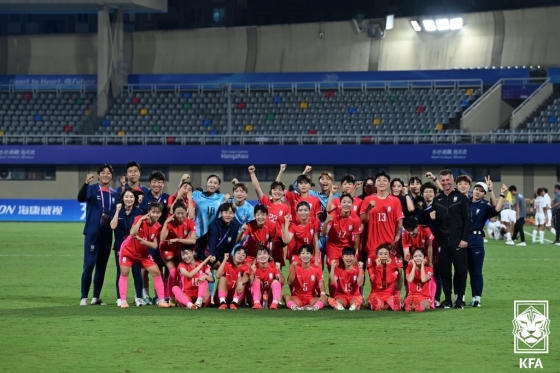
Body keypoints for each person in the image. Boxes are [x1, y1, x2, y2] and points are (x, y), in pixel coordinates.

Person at [430, 169, 471, 309]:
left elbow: (467, 220)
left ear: (452, 180)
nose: (446, 183)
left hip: (458, 240)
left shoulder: (462, 198)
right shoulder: (437, 199)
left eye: (448, 180)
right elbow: (436, 223)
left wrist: (464, 239)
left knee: (460, 271)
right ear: (440, 181)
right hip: (443, 242)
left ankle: (459, 299)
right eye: (443, 180)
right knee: (445, 272)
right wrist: (433, 219)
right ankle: (447, 299)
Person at [77, 164, 116, 306]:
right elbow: (80, 198)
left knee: (101, 266)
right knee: (89, 264)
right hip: (93, 232)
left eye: (108, 173)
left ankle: (95, 298)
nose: (106, 175)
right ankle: (83, 297)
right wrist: (86, 183)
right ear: (99, 175)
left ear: (112, 176)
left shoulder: (114, 194)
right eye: (103, 172)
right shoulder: (92, 189)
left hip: (107, 234)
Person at [117, 201, 169, 308]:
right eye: (153, 212)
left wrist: (141, 240)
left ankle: (162, 300)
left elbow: (154, 246)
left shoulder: (158, 226)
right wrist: (140, 220)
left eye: (158, 213)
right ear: (149, 212)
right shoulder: (139, 218)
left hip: (143, 253)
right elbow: (132, 233)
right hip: (128, 251)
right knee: (124, 273)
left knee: (157, 272)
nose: (156, 215)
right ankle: (123, 301)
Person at [359, 171, 404, 292]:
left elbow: (399, 221)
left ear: (389, 183)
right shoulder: (368, 199)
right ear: (375, 184)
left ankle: (396, 297)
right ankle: (376, 296)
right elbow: (362, 220)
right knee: (374, 273)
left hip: (390, 244)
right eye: (379, 180)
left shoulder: (395, 201)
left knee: (397, 271)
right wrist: (368, 208)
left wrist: (397, 238)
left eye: (384, 180)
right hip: (373, 244)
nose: (382, 182)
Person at [467, 181, 506, 307]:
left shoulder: (484, 206)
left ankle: (476, 298)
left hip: (477, 240)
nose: (477, 192)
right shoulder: (464, 203)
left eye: (481, 191)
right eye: (476, 189)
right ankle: (459, 298)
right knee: (461, 272)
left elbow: (497, 209)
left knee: (476, 272)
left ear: (484, 194)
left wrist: (500, 194)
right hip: (462, 239)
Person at [248, 164, 291, 266]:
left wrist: (281, 171)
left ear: (283, 193)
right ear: (271, 191)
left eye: (280, 190)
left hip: (277, 243)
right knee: (260, 268)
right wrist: (252, 173)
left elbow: (287, 226)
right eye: (275, 190)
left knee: (276, 268)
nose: (277, 192)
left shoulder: (286, 207)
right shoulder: (266, 202)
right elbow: (257, 187)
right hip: (263, 241)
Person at [110, 187, 145, 306]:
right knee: (121, 272)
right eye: (126, 197)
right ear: (122, 198)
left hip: (135, 247)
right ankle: (120, 298)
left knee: (136, 271)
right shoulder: (117, 210)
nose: (129, 199)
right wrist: (116, 211)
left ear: (135, 199)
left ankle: (139, 297)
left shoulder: (139, 212)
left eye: (131, 197)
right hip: (120, 247)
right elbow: (113, 226)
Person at [140, 170, 170, 303]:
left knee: (160, 267)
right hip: (147, 238)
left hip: (161, 238)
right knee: (144, 267)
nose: (156, 184)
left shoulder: (167, 198)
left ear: (163, 184)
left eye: (159, 182)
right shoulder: (143, 197)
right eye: (154, 182)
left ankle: (159, 294)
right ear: (149, 183)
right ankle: (145, 294)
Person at [159, 201, 197, 306]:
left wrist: (177, 240)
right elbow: (162, 238)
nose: (180, 215)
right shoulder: (169, 222)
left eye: (182, 213)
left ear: (186, 212)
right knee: (173, 272)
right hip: (167, 249)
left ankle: (181, 295)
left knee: (181, 272)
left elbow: (193, 241)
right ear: (173, 213)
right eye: (177, 213)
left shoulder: (190, 223)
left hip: (180, 250)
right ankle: (171, 299)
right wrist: (166, 223)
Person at [192, 174, 228, 259]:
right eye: (210, 182)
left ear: (218, 186)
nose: (212, 184)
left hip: (212, 234)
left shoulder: (221, 198)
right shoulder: (196, 195)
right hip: (196, 233)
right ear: (206, 183)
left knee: (210, 259)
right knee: (194, 259)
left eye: (215, 183)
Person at [322, 193, 362, 268]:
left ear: (352, 204)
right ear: (340, 204)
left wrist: (354, 254)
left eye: (349, 202)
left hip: (347, 247)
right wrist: (326, 222)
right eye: (344, 202)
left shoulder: (356, 219)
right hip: (333, 246)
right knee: (333, 269)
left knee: (347, 270)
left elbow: (357, 239)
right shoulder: (333, 214)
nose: (346, 204)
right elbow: (324, 234)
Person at [283, 245, 327, 311]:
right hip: (297, 298)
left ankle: (314, 307)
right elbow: (289, 282)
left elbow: (321, 283)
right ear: (299, 256)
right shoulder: (295, 267)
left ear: (312, 256)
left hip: (311, 298)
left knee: (325, 298)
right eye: (303, 253)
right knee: (286, 296)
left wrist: (322, 294)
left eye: (308, 253)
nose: (305, 256)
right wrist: (293, 270)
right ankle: (295, 307)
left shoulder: (317, 269)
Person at [282, 201, 321, 265]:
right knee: (293, 266)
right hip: (299, 254)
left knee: (317, 267)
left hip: (313, 253)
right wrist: (286, 225)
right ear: (297, 212)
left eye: (305, 210)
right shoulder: (294, 225)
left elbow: (316, 242)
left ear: (309, 211)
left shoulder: (315, 221)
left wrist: (316, 260)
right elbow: (286, 240)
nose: (303, 212)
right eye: (300, 210)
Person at [249, 246, 284, 310]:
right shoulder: (254, 268)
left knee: (275, 281)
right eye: (259, 254)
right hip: (257, 297)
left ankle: (275, 303)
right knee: (256, 280)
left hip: (269, 297)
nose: (262, 256)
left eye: (264, 253)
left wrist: (279, 271)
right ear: (257, 257)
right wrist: (252, 273)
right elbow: (249, 284)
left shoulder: (273, 268)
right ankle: (257, 303)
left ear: (268, 256)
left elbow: (282, 283)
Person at [367, 244, 401, 311]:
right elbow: (377, 282)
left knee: (395, 306)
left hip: (389, 295)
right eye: (381, 254)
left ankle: (395, 304)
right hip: (376, 294)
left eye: (385, 254)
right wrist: (378, 267)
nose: (383, 256)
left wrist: (388, 266)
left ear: (389, 256)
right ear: (377, 256)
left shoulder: (394, 268)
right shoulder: (371, 268)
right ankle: (375, 303)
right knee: (379, 305)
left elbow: (389, 281)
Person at [207, 202, 241, 268]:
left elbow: (231, 243)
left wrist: (226, 258)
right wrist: (212, 255)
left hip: (224, 255)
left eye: (230, 213)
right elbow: (212, 241)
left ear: (234, 214)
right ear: (221, 213)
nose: (228, 215)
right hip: (213, 253)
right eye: (225, 212)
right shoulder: (214, 224)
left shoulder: (235, 226)